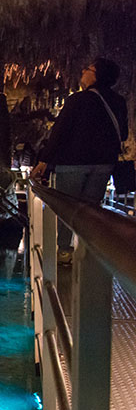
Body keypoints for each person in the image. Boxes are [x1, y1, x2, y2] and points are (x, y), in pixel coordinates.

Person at [30, 57, 128, 264]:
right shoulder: (118, 102)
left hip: (73, 164)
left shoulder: (78, 100)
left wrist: (43, 161)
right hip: (103, 164)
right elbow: (124, 133)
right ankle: (87, 253)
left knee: (68, 207)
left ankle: (64, 251)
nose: (83, 72)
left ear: (96, 75)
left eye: (87, 69)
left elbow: (60, 132)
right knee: (91, 211)